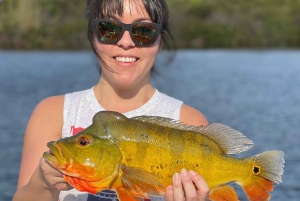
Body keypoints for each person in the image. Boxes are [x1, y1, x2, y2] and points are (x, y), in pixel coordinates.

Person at [13, 0, 210, 201]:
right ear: (92, 35)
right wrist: (43, 184)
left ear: (161, 41)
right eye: (109, 29)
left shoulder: (189, 122)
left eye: (144, 31)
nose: (126, 42)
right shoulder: (52, 113)